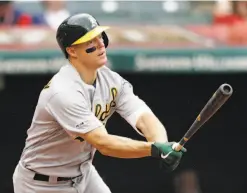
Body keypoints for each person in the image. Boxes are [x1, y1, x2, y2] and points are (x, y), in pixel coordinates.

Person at [12, 13, 186, 193]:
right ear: (72, 51)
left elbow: (142, 115)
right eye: (90, 41)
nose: (100, 43)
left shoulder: (110, 79)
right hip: (41, 184)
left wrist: (162, 144)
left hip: (83, 175)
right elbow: (104, 144)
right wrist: (154, 149)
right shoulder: (63, 92)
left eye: (99, 37)